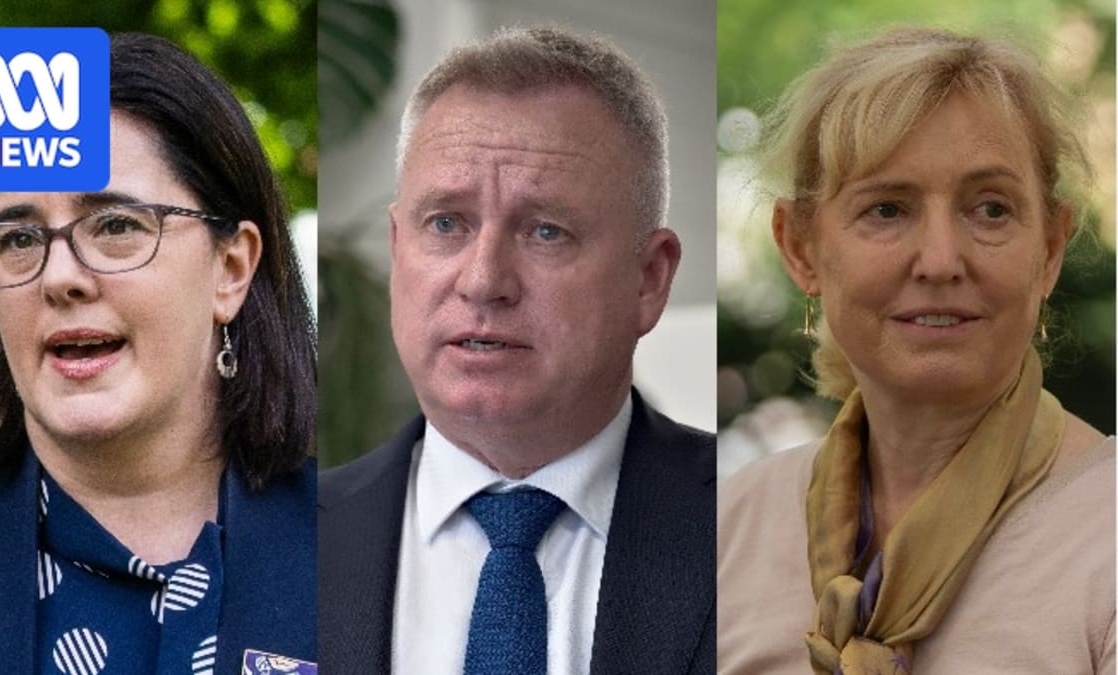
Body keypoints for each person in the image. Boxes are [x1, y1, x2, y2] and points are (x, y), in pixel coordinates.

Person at [317, 26, 716, 674]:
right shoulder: (290, 535)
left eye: (547, 231)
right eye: (446, 223)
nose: (482, 280)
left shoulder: (756, 529)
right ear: (396, 250)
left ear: (649, 278)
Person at [716, 26, 1114, 673]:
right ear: (799, 247)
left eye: (990, 209)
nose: (939, 260)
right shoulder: (727, 526)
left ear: (1050, 249)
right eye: (888, 209)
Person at [0, 33, 318, 672]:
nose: (58, 277)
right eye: (18, 237)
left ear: (231, 268)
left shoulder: (373, 554)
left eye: (115, 226)